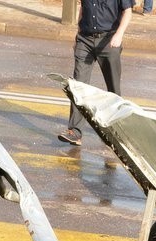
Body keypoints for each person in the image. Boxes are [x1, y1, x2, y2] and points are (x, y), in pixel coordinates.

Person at [58, 0, 135, 147]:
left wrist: (119, 35)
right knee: (78, 86)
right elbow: (83, 9)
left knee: (114, 90)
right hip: (84, 40)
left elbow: (128, 11)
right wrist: (78, 34)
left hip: (108, 40)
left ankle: (115, 132)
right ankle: (75, 131)